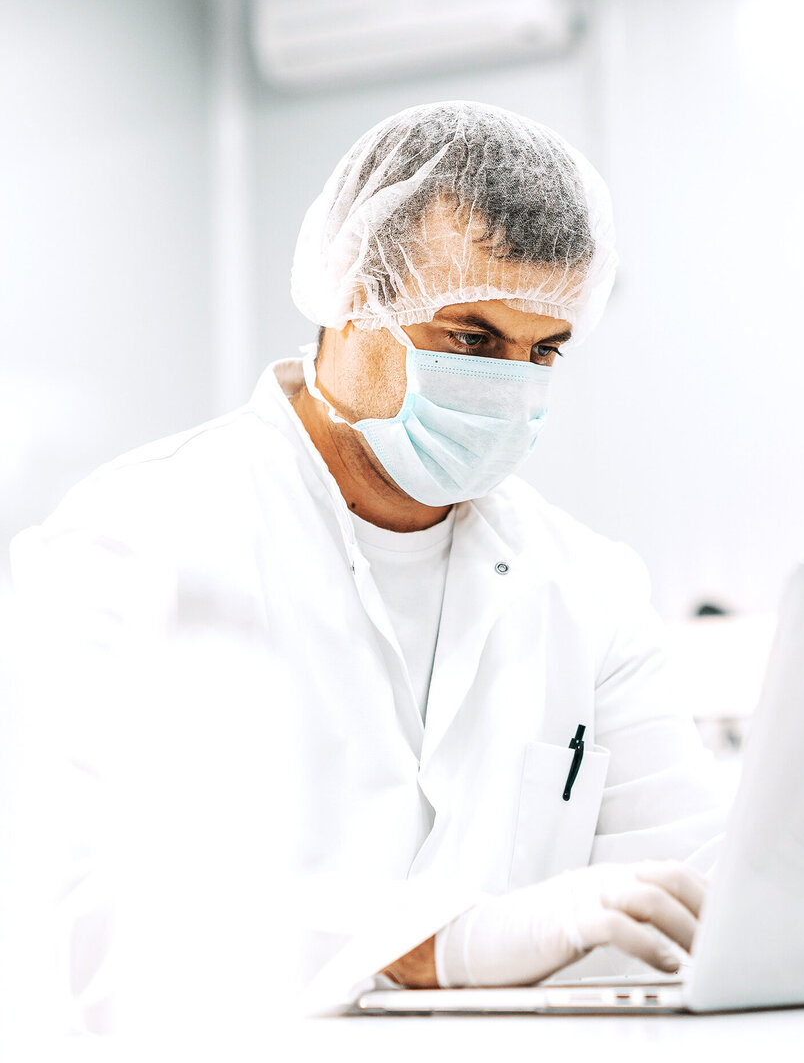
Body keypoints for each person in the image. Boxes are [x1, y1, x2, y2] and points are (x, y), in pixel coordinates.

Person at [10, 101, 725, 1030]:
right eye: (470, 338)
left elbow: (685, 896)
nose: (511, 386)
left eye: (543, 349)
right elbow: (81, 917)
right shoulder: (134, 539)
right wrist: (443, 943)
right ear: (355, 293)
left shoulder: (590, 587)